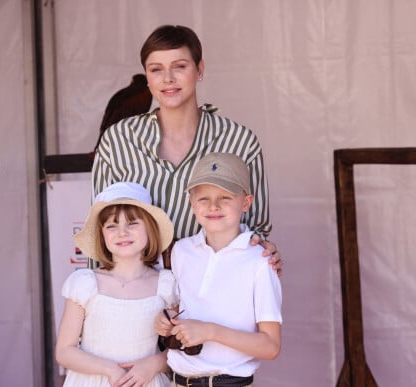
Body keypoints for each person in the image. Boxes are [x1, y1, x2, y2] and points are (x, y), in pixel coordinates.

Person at [91, 25, 282, 273]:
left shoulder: (240, 142)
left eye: (179, 66)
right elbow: (100, 236)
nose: (168, 78)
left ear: (199, 69)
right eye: (156, 69)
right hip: (137, 296)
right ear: (146, 77)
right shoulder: (117, 141)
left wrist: (265, 251)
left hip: (213, 291)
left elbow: (255, 231)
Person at [155, 153, 282, 387]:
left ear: (246, 203)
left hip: (229, 382)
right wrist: (164, 322)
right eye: (203, 198)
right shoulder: (180, 252)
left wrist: (211, 332)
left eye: (225, 197)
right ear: (192, 204)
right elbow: (174, 309)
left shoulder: (261, 261)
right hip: (176, 381)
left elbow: (271, 346)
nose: (213, 206)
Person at [55, 182, 178, 387]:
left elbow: (179, 347)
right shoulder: (86, 284)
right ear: (102, 235)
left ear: (150, 230)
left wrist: (154, 364)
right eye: (112, 226)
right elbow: (64, 351)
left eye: (132, 224)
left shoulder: (165, 285)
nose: (122, 232)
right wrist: (109, 369)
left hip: (146, 381)